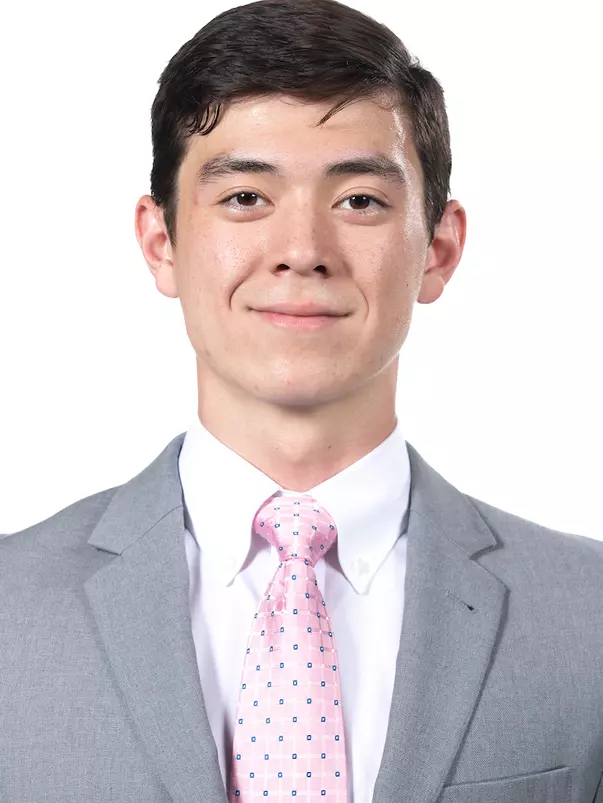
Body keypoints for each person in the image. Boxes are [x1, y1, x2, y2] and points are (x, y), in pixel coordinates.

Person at [1, 0, 601, 800]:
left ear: (439, 248)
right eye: (245, 197)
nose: (301, 252)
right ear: (161, 243)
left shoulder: (587, 616)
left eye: (359, 200)